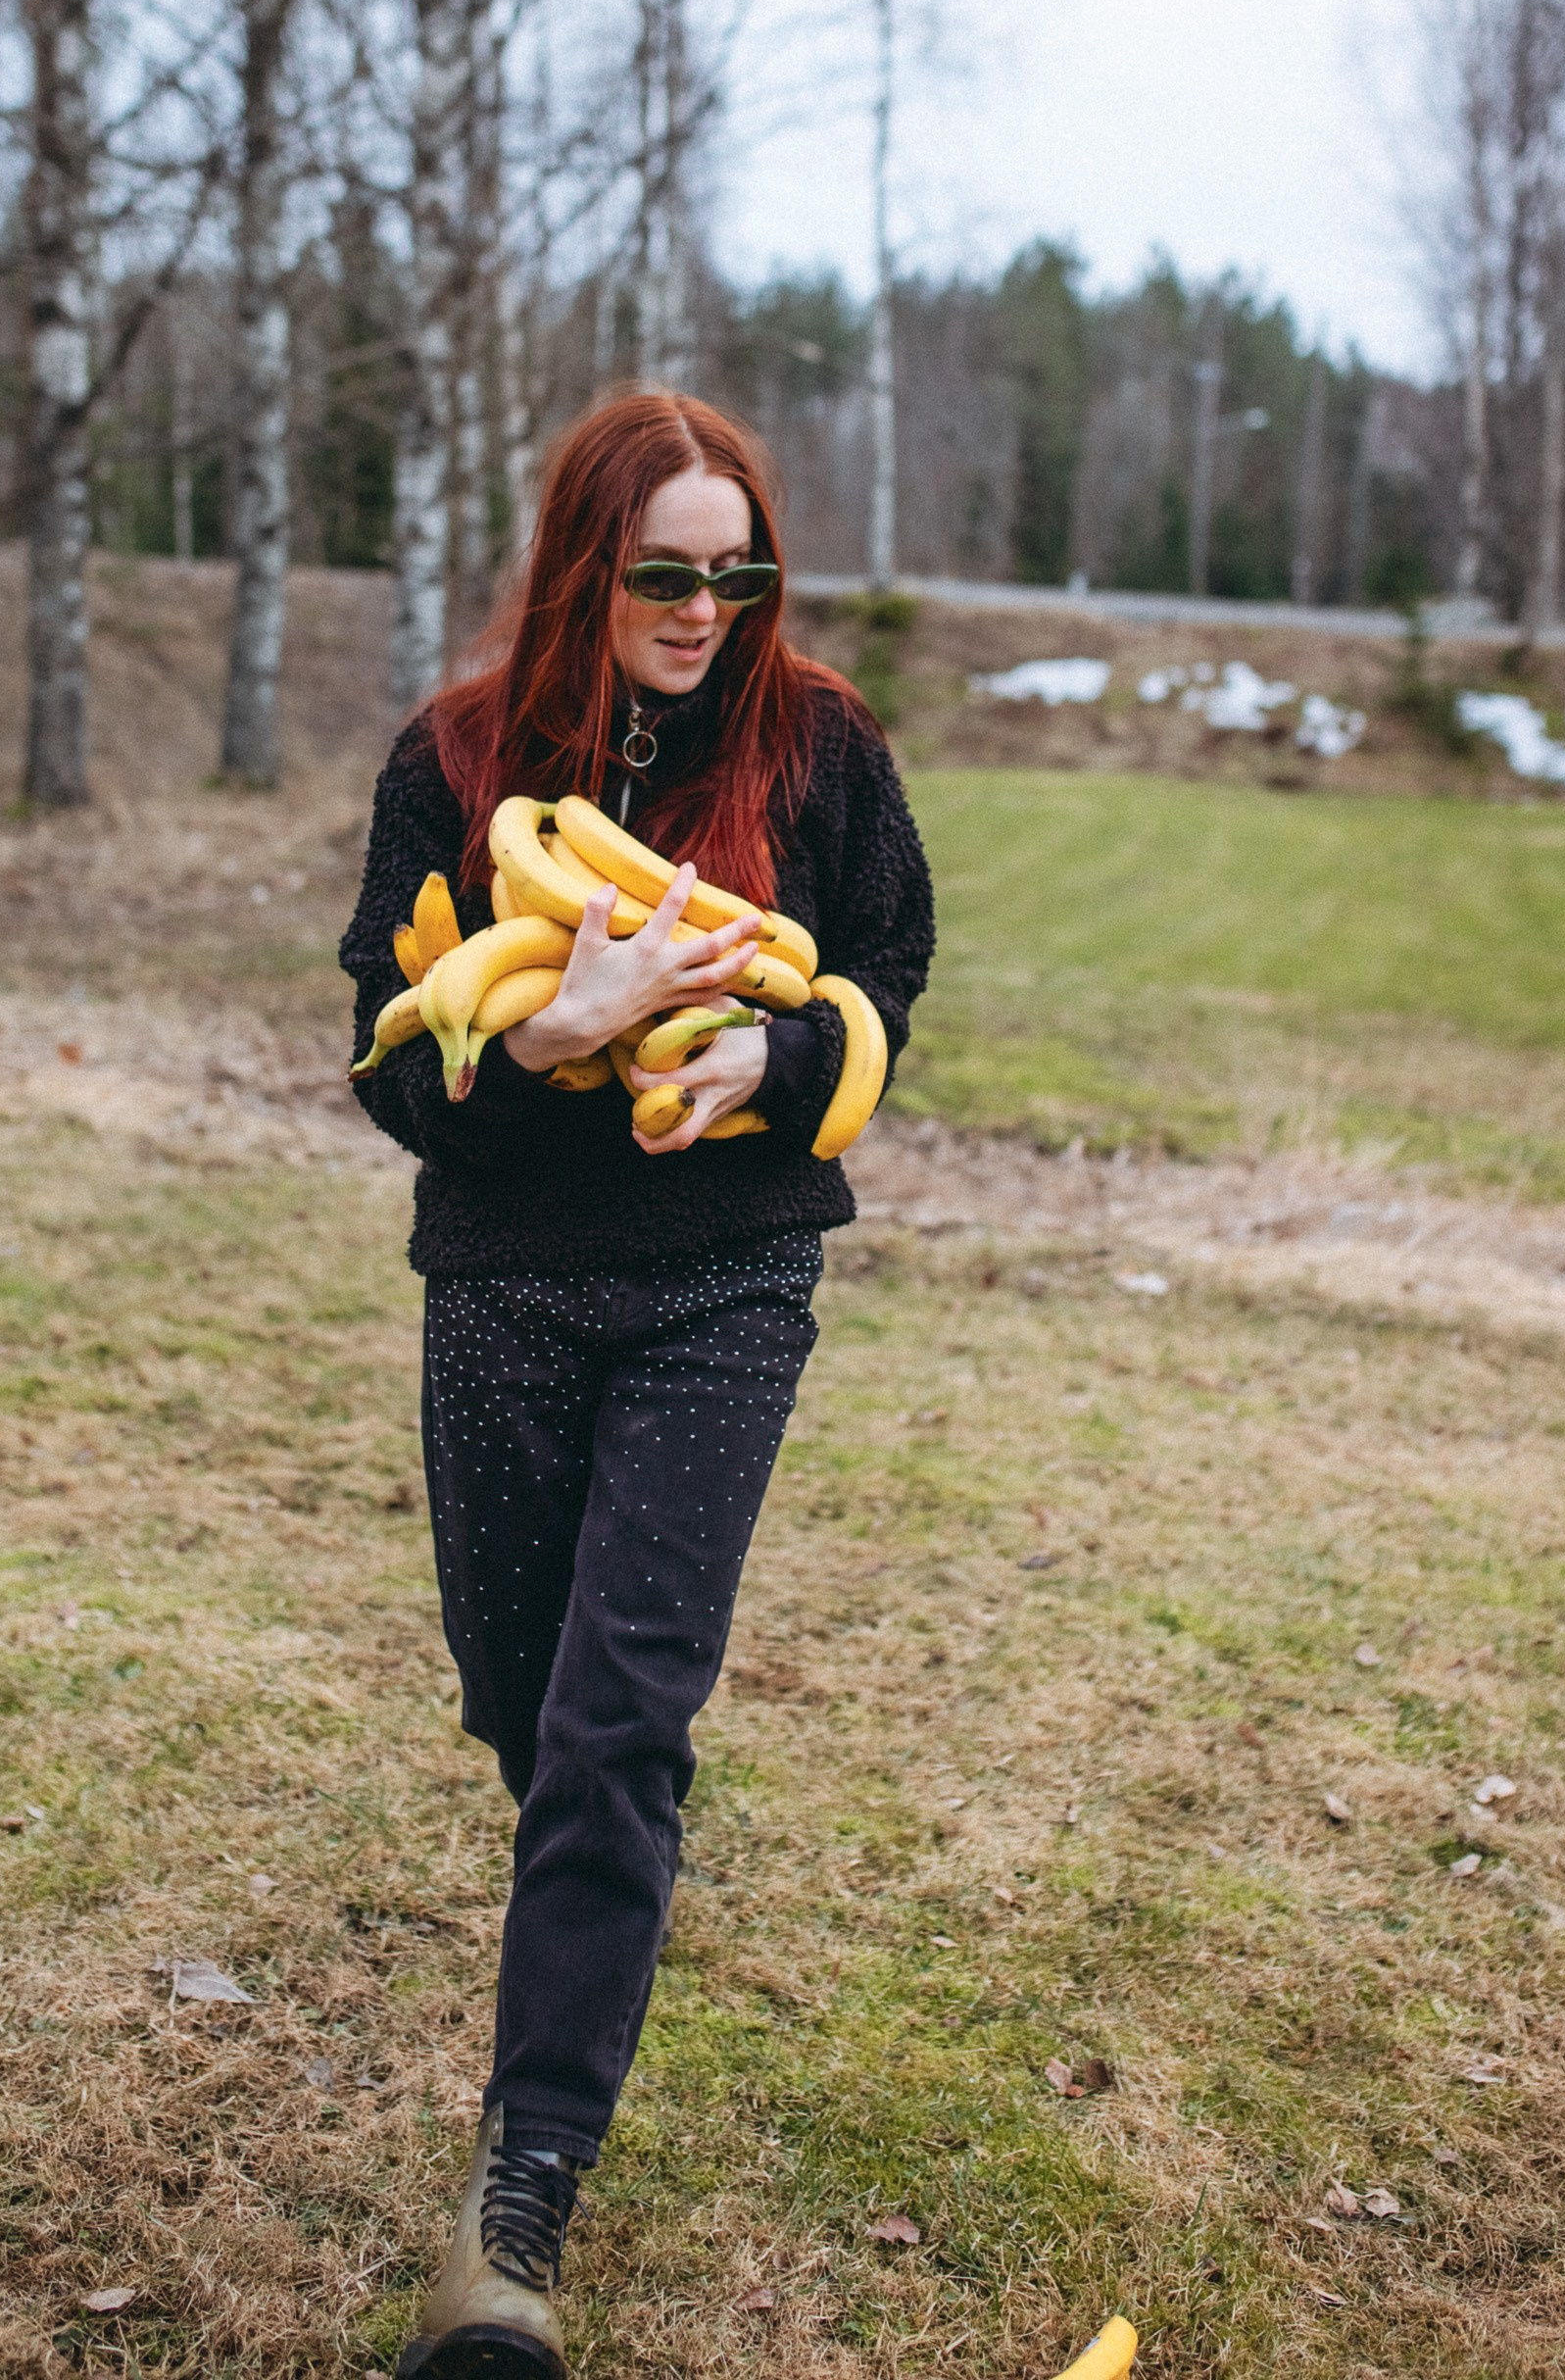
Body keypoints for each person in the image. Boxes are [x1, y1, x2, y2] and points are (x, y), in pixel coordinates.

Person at [340, 389, 935, 2380]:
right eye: (664, 571)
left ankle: (516, 2216)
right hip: (504, 1283)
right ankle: (605, 1899)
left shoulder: (820, 749)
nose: (703, 607)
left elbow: (887, 967)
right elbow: (385, 1061)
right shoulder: (450, 766)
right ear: (588, 569)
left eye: (735, 568)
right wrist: (550, 1030)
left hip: (725, 1281)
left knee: (616, 1722)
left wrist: (783, 1060)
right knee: (522, 1701)